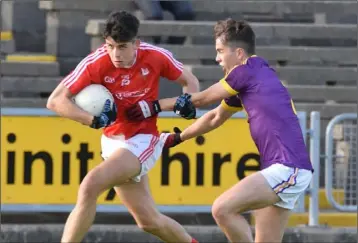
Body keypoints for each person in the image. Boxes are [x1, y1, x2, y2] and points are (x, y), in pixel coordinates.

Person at [126, 18, 314, 243]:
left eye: (220, 51)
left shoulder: (247, 71)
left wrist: (155, 105)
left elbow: (203, 98)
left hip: (288, 167)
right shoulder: (253, 79)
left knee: (222, 209)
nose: (217, 58)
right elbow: (215, 116)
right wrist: (177, 138)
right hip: (282, 168)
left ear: (239, 53)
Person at [46, 10, 200, 243]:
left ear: (136, 44)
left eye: (122, 47)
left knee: (90, 185)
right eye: (110, 46)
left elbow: (190, 82)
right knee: (149, 221)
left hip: (142, 140)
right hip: (112, 142)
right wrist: (92, 120)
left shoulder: (156, 56)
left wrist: (186, 102)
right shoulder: (96, 62)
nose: (115, 54)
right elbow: (55, 101)